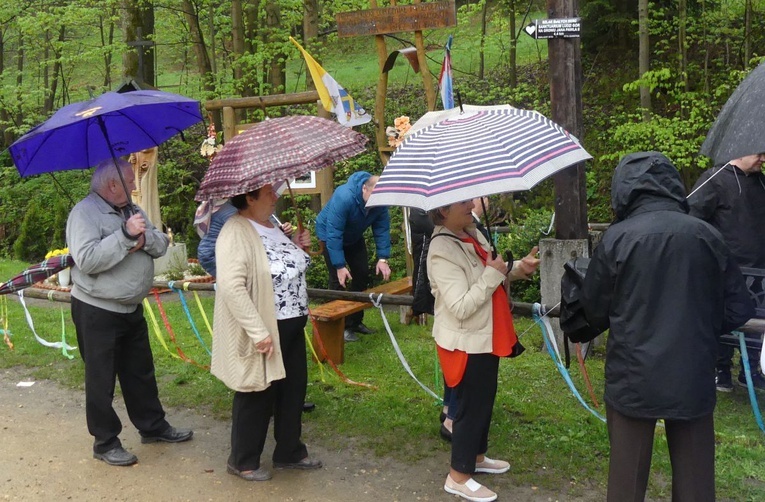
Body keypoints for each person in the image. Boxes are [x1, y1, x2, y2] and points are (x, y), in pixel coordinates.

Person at [580, 152, 754, 502]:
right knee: (696, 485)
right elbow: (738, 308)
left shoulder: (617, 238)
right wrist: (700, 326)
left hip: (633, 377)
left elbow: (593, 310)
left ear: (624, 191)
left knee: (626, 485)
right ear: (674, 186)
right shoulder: (708, 236)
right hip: (692, 375)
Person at [66, 158, 193, 467]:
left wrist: (142, 238)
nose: (136, 186)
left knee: (140, 372)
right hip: (97, 309)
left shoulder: (132, 210)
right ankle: (105, 442)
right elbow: (86, 260)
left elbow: (161, 242)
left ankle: (152, 426)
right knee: (101, 378)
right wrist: (124, 236)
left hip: (131, 307)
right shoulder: (83, 214)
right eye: (130, 181)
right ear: (112, 185)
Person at [427, 198, 539, 502]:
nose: (470, 204)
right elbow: (461, 305)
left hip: (486, 334)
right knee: (468, 407)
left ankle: (476, 457)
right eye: (462, 202)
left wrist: (516, 269)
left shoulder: (471, 232)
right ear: (442, 211)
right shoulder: (441, 250)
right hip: (464, 341)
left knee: (484, 400)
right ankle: (458, 476)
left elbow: (489, 271)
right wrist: (494, 274)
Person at [212, 184, 322, 482]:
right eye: (268, 193)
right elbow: (232, 287)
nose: (276, 196)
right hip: (263, 329)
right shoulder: (235, 231)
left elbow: (286, 271)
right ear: (249, 197)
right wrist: (258, 331)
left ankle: (289, 452)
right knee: (256, 393)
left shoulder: (273, 226)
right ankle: (243, 460)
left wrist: (302, 247)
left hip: (292, 325)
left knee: (292, 391)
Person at [688, 151, 765, 392]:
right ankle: (720, 370)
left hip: (760, 269)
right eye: (759, 154)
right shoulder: (715, 179)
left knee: (758, 319)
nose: (763, 158)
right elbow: (693, 218)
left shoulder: (761, 182)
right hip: (725, 268)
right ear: (740, 150)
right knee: (722, 317)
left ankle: (751, 371)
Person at [316, 171, 392, 342]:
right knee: (339, 281)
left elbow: (382, 229)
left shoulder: (380, 201)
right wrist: (339, 266)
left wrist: (383, 258)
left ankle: (355, 323)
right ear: (364, 188)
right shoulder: (344, 196)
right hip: (329, 235)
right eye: (373, 197)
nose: (376, 202)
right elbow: (334, 233)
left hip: (353, 237)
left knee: (362, 274)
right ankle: (339, 328)